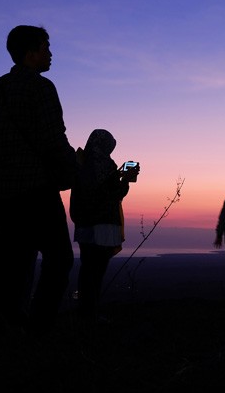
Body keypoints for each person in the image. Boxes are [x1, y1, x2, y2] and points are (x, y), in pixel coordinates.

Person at [0, 25, 78, 334]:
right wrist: (76, 168)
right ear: (30, 53)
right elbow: (52, 140)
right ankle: (38, 326)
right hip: (38, 192)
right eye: (46, 47)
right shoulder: (41, 88)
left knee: (11, 267)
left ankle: (5, 326)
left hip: (4, 195)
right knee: (59, 260)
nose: (51, 54)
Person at [69, 129, 137, 322]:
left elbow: (102, 190)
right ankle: (89, 312)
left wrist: (120, 177)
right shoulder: (103, 164)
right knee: (96, 270)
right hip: (103, 225)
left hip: (86, 225)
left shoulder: (82, 162)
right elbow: (112, 193)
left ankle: (86, 311)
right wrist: (124, 179)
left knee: (88, 268)